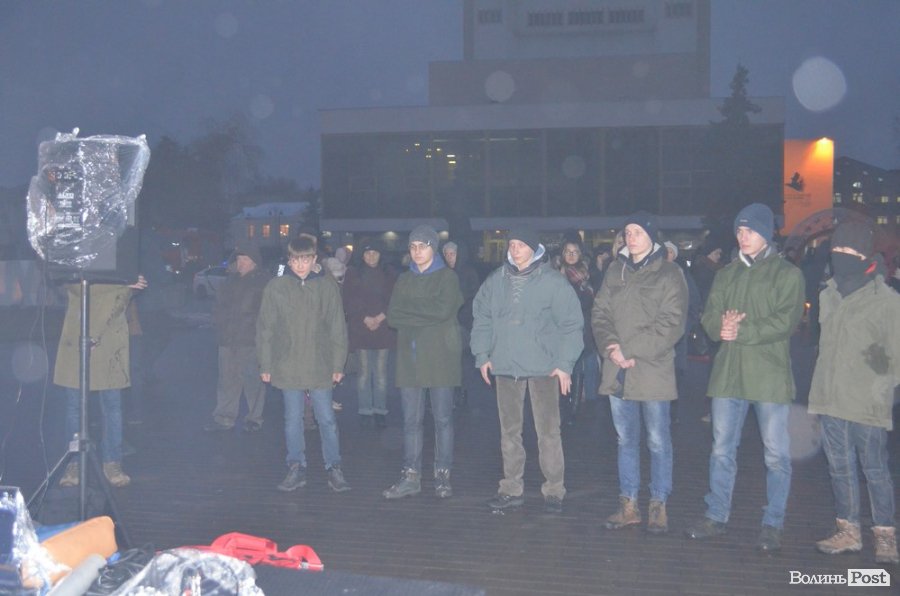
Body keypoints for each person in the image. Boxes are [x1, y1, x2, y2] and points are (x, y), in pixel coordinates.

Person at [685, 203, 805, 552]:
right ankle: (716, 514)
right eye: (739, 230)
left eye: (750, 230)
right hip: (728, 376)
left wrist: (742, 329)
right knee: (721, 450)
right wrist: (719, 327)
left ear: (766, 234)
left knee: (776, 455)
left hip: (769, 376)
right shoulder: (727, 274)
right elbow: (709, 316)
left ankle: (773, 522)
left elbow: (786, 321)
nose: (743, 236)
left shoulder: (787, 274)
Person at [471, 227, 583, 514]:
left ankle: (554, 489)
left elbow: (572, 324)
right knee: (509, 431)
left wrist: (565, 364)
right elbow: (481, 316)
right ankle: (511, 488)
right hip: (506, 366)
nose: (515, 249)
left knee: (548, 431)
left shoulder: (553, 282)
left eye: (521, 244)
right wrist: (482, 354)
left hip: (544, 368)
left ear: (534, 248)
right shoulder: (496, 281)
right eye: (512, 244)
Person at [808, 219, 900, 564]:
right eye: (837, 249)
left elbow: (896, 355)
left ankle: (885, 534)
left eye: (848, 249)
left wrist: (879, 386)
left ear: (863, 255)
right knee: (839, 468)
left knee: (874, 469)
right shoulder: (828, 293)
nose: (841, 255)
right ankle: (848, 531)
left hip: (866, 402)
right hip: (830, 397)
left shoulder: (885, 299)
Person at [592, 214, 687, 533]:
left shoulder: (669, 273)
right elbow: (600, 312)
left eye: (638, 232)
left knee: (658, 440)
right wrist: (611, 347)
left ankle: (658, 503)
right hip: (617, 370)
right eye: (627, 232)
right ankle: (628, 504)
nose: (631, 237)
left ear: (651, 236)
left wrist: (630, 349)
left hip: (652, 369)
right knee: (626, 440)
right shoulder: (614, 271)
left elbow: (671, 322)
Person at [256, 236, 350, 493]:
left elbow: (337, 327)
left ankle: (334, 467)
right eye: (296, 259)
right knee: (292, 420)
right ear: (289, 260)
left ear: (314, 259)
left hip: (320, 364)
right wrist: (266, 364)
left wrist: (338, 364)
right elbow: (266, 329)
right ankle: (296, 466)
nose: (300, 265)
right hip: (287, 364)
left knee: (326, 419)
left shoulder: (326, 287)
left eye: (305, 259)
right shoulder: (276, 287)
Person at [383, 225, 463, 499]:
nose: (417, 252)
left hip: (441, 358)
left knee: (443, 420)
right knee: (410, 421)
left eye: (423, 246)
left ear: (433, 248)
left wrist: (411, 311)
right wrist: (423, 312)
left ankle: (442, 475)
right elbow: (393, 316)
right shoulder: (404, 280)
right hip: (410, 359)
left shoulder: (448, 278)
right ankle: (411, 476)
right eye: (413, 247)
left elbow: (443, 311)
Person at [57, 276, 148, 488]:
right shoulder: (77, 261)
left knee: (112, 406)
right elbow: (74, 287)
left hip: (110, 341)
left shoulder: (120, 260)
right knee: (74, 408)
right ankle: (74, 463)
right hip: (77, 335)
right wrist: (120, 286)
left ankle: (112, 462)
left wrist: (125, 288)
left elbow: (125, 296)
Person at [204, 240, 271, 433]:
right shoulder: (229, 281)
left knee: (253, 381)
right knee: (227, 380)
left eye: (245, 259)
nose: (241, 263)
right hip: (227, 339)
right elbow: (218, 307)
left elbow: (267, 312)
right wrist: (219, 323)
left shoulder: (263, 282)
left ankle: (254, 418)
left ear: (254, 262)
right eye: (239, 259)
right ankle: (224, 417)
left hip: (250, 340)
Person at [342, 238, 397, 428]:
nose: (371, 256)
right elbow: (348, 299)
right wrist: (365, 318)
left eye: (375, 253)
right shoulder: (353, 273)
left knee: (381, 373)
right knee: (364, 373)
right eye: (367, 253)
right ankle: (365, 409)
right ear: (361, 255)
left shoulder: (389, 273)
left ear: (381, 255)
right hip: (361, 329)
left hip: (383, 329)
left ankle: (380, 409)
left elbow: (394, 298)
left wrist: (380, 317)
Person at [557, 236, 598, 424]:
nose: (571, 255)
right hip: (561, 330)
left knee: (577, 368)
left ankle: (572, 410)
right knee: (563, 369)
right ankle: (562, 407)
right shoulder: (556, 275)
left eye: (575, 252)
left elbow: (588, 301)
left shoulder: (587, 275)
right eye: (568, 252)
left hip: (582, 328)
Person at [442, 240, 480, 409]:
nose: (450, 257)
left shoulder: (469, 273)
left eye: (453, 254)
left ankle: (462, 392)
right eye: (447, 254)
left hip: (463, 323)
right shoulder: (441, 273)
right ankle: (449, 393)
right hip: (445, 324)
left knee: (462, 361)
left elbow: (475, 295)